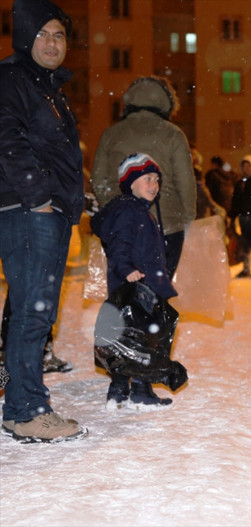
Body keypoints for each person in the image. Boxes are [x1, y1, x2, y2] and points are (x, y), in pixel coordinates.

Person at [0, 0, 87, 443]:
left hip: (46, 211)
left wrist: (73, 199)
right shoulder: (13, 79)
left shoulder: (47, 87)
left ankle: (21, 405)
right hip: (27, 210)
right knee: (33, 313)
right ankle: (26, 410)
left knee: (36, 311)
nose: (52, 43)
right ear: (25, 39)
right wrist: (37, 197)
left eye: (59, 35)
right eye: (43, 35)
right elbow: (6, 139)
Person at [91, 153, 182, 409]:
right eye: (147, 179)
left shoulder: (139, 210)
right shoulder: (128, 211)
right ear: (130, 183)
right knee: (143, 339)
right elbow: (119, 244)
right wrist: (126, 268)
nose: (154, 185)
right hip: (137, 286)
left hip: (138, 286)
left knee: (127, 338)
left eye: (156, 179)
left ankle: (119, 391)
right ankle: (139, 392)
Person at [91, 75, 196, 278]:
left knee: (127, 285)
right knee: (158, 286)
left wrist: (114, 208)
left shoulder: (111, 134)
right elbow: (185, 183)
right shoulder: (173, 134)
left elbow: (98, 179)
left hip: (122, 227)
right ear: (167, 103)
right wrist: (186, 219)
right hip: (165, 226)